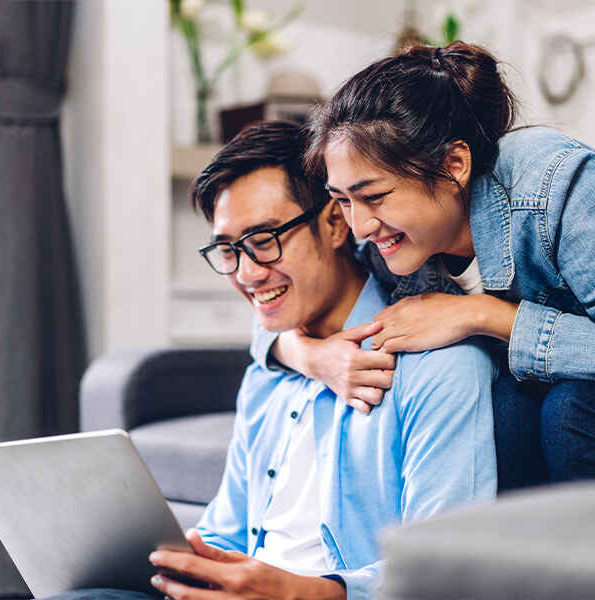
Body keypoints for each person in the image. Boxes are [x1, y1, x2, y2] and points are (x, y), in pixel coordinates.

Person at [43, 121, 497, 600]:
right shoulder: (272, 372)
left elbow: (449, 572)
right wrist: (192, 562)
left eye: (264, 240)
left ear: (336, 222)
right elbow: (228, 529)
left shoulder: (439, 367)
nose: (247, 273)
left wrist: (301, 591)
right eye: (227, 250)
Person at [254, 41, 595, 491]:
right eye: (342, 201)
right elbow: (278, 300)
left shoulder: (556, 183)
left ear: (454, 164)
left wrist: (480, 316)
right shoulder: (383, 241)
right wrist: (315, 358)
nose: (359, 226)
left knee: (567, 409)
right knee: (509, 408)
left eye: (373, 196)